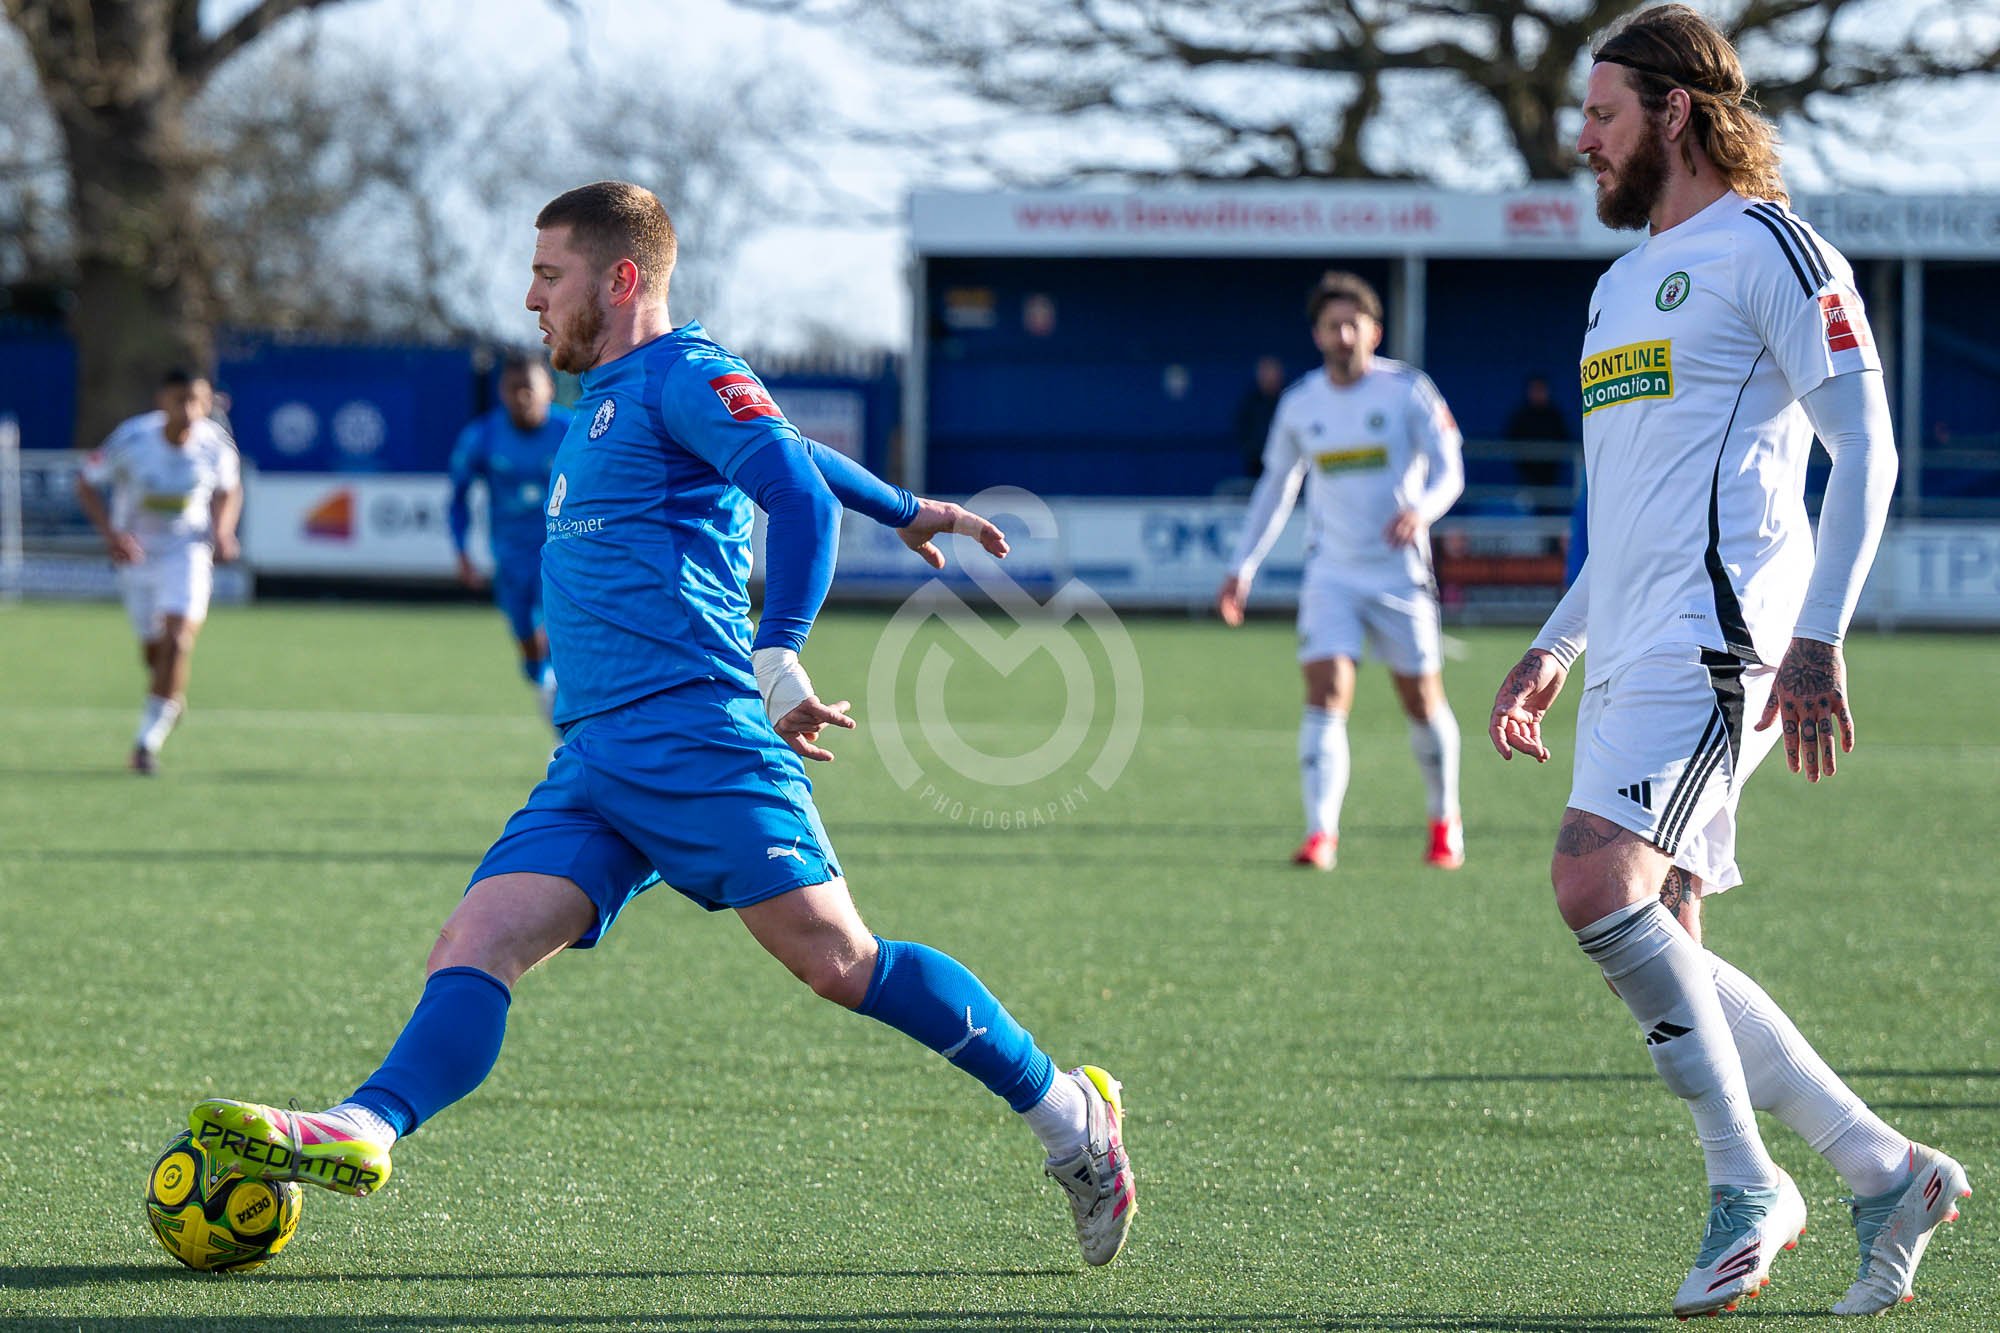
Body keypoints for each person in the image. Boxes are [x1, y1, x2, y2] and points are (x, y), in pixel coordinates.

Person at [186, 180, 1136, 1268]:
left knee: (838, 962)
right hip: (594, 753)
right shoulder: (616, 391)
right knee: (476, 940)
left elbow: (793, 490)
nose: (529, 298)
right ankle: (367, 1123)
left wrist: (777, 650)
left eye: (550, 275)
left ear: (620, 278)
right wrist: (904, 505)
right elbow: (801, 459)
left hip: (696, 735)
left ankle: (1070, 1118)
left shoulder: (682, 369)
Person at [1486, 6, 1966, 1319]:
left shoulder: (1772, 246)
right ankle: (1886, 1169)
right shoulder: (1616, 286)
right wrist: (1551, 646)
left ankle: (1746, 1183)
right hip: (1631, 646)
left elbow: (1866, 448)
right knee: (1668, 937)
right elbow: (1629, 508)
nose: (1579, 140)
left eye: (1600, 115)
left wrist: (1819, 636)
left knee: (1594, 879)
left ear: (1675, 112)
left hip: (1727, 641)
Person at [1216, 271, 1466, 872]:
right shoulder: (1301, 403)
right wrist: (1241, 566)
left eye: (1354, 323)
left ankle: (1444, 820)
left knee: (1421, 700)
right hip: (1331, 574)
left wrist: (1421, 510)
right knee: (1325, 697)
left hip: (1400, 575)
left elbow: (1450, 468)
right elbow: (1276, 487)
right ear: (1318, 335)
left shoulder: (1408, 390)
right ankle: (1320, 833)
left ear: (1374, 331)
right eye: (1333, 325)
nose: (1344, 334)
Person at [73, 368, 242, 775]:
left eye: (196, 401)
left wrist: (223, 530)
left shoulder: (215, 446)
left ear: (207, 404)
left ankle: (145, 744)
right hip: (137, 556)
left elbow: (229, 489)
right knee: (155, 655)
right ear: (161, 401)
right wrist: (112, 535)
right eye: (179, 399)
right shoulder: (132, 439)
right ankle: (169, 698)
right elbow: (85, 481)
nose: (187, 409)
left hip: (187, 553)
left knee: (178, 640)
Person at [448, 351, 573, 725]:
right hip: (509, 557)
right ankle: (543, 683)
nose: (521, 397)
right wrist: (461, 552)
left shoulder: (571, 432)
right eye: (513, 388)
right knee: (528, 646)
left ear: (548, 390)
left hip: (560, 555)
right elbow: (457, 497)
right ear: (501, 392)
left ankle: (566, 720)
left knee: (555, 635)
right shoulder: (482, 437)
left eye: (528, 389)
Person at [1502, 373, 1572, 495]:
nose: (1538, 394)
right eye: (1535, 390)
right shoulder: (1521, 416)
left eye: (1541, 390)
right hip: (1526, 473)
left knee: (1550, 504)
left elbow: (1564, 437)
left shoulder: (1554, 416)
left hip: (1550, 472)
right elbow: (1511, 438)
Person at [1233, 355, 1287, 481]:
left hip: (1288, 465)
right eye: (1264, 372)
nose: (1268, 377)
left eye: (1271, 372)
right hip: (1257, 467)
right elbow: (1243, 432)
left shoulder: (1290, 400)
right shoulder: (1250, 403)